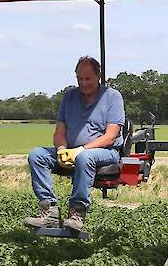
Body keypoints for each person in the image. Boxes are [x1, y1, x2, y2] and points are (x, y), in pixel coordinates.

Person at [24, 56, 125, 233]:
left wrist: (80, 150)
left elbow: (110, 137)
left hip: (105, 152)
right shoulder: (69, 97)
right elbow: (59, 132)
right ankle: (49, 210)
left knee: (85, 157)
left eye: (88, 79)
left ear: (98, 76)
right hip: (72, 150)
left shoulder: (112, 97)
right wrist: (62, 149)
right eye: (79, 79)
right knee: (36, 155)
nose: (83, 83)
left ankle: (77, 212)